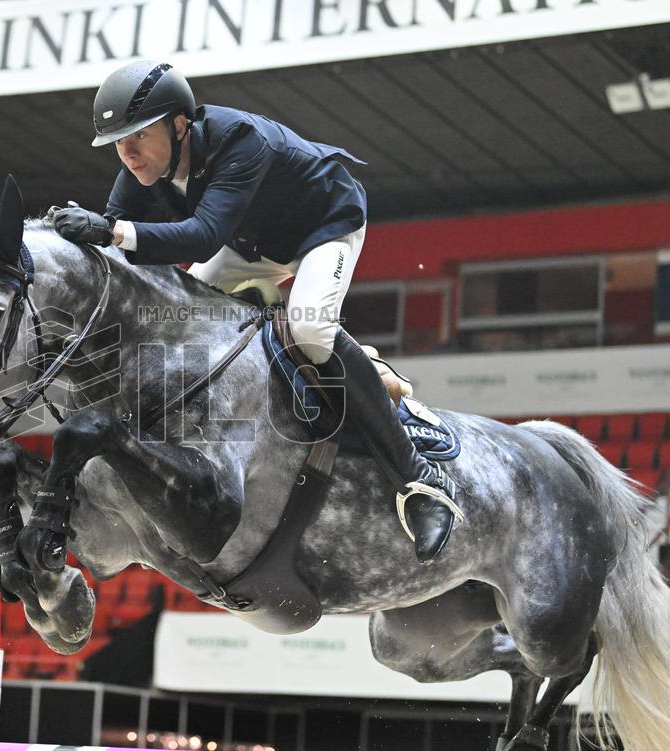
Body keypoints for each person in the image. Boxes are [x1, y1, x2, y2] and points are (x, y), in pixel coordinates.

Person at [52, 60, 463, 564]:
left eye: (138, 135)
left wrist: (109, 231)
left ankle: (419, 480)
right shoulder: (141, 170)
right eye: (118, 142)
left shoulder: (241, 139)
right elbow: (112, 246)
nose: (128, 153)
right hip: (251, 244)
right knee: (178, 318)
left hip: (323, 227)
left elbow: (199, 235)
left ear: (180, 124)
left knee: (309, 328)